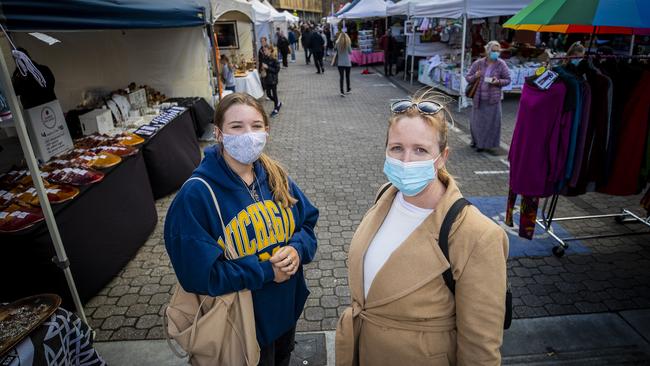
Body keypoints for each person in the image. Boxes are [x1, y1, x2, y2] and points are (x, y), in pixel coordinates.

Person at [335, 90, 509, 366]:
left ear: (441, 157)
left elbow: (480, 349)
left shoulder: (477, 234)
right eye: (397, 148)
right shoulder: (387, 195)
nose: (405, 161)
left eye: (420, 150)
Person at [164, 92, 319, 366]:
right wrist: (266, 271)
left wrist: (297, 249)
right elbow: (199, 276)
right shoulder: (196, 196)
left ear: (266, 131)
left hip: (286, 313)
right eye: (237, 126)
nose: (248, 134)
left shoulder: (276, 176)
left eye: (256, 126)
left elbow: (307, 222)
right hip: (243, 325)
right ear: (219, 133)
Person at [465, 40, 511, 152]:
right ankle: (478, 143)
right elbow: (468, 78)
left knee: (492, 124)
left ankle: (489, 144)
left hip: (493, 100)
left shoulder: (501, 64)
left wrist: (498, 81)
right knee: (477, 123)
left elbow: (508, 80)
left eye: (497, 51)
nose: (496, 53)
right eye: (493, 51)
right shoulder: (479, 63)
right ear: (488, 51)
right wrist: (476, 75)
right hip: (479, 99)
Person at [261, 45, 282, 117]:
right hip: (266, 80)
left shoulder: (274, 59)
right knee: (269, 95)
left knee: (274, 94)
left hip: (273, 80)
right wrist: (262, 69)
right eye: (264, 50)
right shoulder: (264, 58)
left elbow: (277, 70)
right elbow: (263, 68)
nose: (264, 51)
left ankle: (276, 109)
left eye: (266, 50)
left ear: (270, 50)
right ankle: (278, 103)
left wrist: (268, 67)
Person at [335, 32, 352, 97]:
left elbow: (335, 49)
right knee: (347, 77)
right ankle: (348, 89)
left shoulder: (337, 43)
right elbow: (350, 52)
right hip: (347, 63)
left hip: (340, 63)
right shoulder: (348, 43)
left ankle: (342, 91)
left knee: (341, 77)